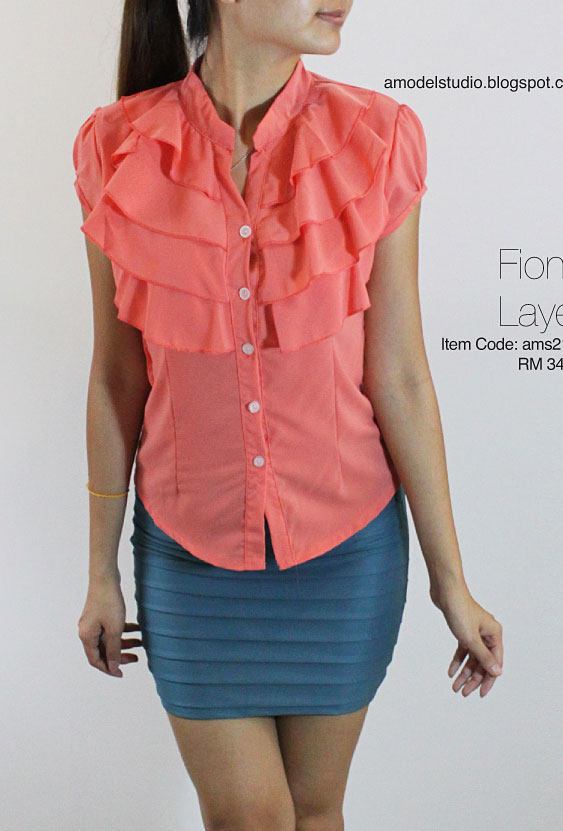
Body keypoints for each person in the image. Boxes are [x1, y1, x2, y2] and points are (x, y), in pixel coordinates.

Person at [74, 1, 504, 829]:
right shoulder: (113, 148)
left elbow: (401, 376)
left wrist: (451, 582)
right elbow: (116, 378)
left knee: (314, 812)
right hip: (189, 558)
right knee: (250, 817)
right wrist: (100, 571)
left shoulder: (377, 139)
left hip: (346, 553)